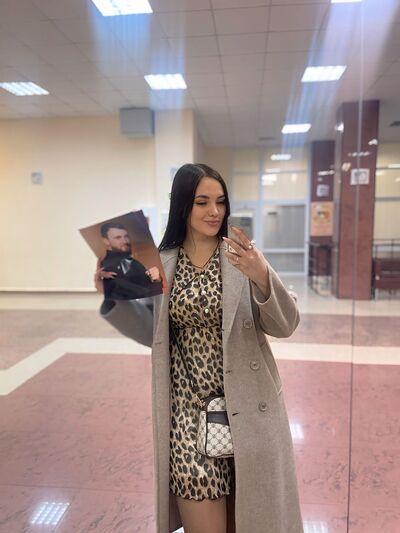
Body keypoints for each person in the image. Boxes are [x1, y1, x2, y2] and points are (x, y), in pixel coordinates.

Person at [95, 164, 303, 533]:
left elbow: (284, 325)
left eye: (220, 202)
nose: (214, 211)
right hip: (186, 415)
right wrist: (113, 296)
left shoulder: (242, 257)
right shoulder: (161, 262)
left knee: (252, 516)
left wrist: (261, 277)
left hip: (247, 409)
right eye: (202, 202)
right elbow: (153, 334)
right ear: (182, 206)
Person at [98, 222, 163, 300]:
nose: (125, 241)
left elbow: (150, 293)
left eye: (126, 236)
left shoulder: (134, 263)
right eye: (118, 237)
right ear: (106, 241)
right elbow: (141, 293)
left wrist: (157, 280)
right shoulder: (105, 267)